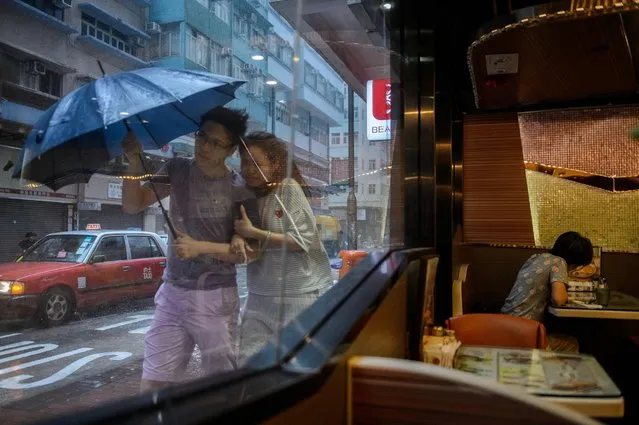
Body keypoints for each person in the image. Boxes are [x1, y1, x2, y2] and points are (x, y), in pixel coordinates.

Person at [122, 107, 254, 391]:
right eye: (201, 137)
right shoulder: (177, 169)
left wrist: (199, 248)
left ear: (230, 150)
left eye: (215, 143)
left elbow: (248, 252)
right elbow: (133, 204)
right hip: (172, 294)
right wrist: (133, 160)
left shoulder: (239, 188)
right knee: (153, 385)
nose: (204, 146)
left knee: (221, 389)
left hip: (215, 297)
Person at [232, 132, 333, 364]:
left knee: (296, 365)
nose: (248, 169)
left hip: (299, 294)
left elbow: (302, 240)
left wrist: (254, 233)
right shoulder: (244, 195)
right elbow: (245, 240)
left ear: (275, 163)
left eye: (257, 163)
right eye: (244, 162)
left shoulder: (287, 188)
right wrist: (238, 239)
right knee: (248, 362)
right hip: (259, 294)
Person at [501, 231, 593, 352]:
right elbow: (559, 300)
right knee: (571, 344)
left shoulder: (536, 257)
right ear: (573, 262)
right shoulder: (559, 262)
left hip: (503, 326)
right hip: (523, 334)